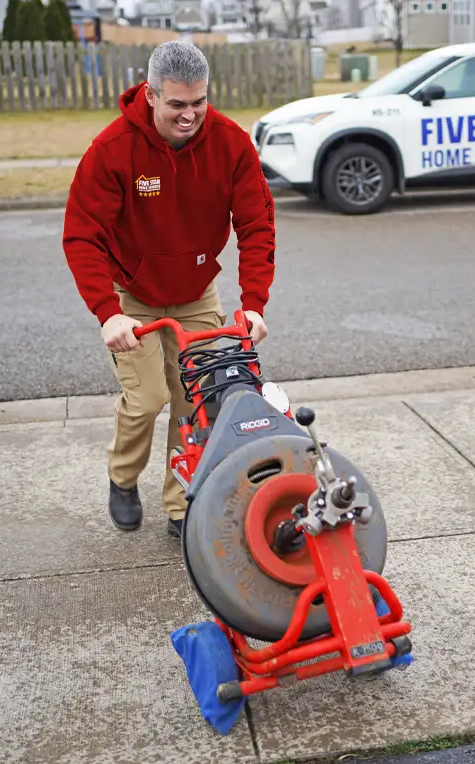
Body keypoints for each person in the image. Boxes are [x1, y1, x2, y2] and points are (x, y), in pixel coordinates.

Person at [62, 40, 276, 539]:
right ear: (152, 95)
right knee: (148, 399)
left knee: (195, 400)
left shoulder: (230, 143)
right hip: (132, 294)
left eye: (198, 102)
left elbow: (257, 224)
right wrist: (107, 311)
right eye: (177, 104)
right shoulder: (114, 150)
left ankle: (181, 504)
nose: (190, 115)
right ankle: (122, 477)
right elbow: (82, 234)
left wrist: (254, 304)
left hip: (196, 292)